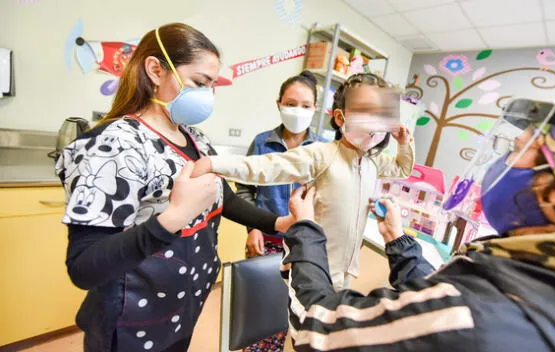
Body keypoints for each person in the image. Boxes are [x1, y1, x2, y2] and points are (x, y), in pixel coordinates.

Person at [280, 82, 555, 351]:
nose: (502, 162)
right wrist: (400, 243)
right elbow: (445, 294)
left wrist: (305, 230)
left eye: (515, 151)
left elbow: (317, 326)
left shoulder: (477, 317)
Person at [56, 23, 293, 352]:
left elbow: (220, 196)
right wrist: (175, 215)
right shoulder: (113, 145)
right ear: (155, 69)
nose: (207, 95)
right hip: (131, 316)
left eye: (212, 86)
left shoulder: (195, 139)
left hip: (183, 305)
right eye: (199, 82)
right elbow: (84, 267)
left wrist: (276, 224)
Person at [193, 73, 415, 290]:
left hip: (346, 270)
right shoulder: (321, 154)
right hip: (312, 266)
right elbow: (266, 167)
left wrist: (404, 143)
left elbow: (402, 168)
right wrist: (214, 163)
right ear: (340, 118)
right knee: (297, 317)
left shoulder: (372, 161)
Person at [237, 70, 326, 258]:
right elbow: (245, 189)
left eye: (306, 106)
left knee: (299, 287)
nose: (297, 110)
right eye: (291, 104)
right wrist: (253, 227)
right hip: (265, 238)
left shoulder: (323, 149)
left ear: (315, 108)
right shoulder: (262, 143)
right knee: (259, 286)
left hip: (307, 242)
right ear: (279, 104)